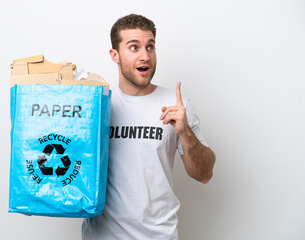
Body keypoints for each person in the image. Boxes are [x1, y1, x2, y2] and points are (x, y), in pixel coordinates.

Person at [82, 14, 216, 240]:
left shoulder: (177, 106)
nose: (145, 56)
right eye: (134, 47)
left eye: (150, 47)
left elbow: (204, 174)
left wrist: (185, 133)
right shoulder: (97, 105)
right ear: (114, 55)